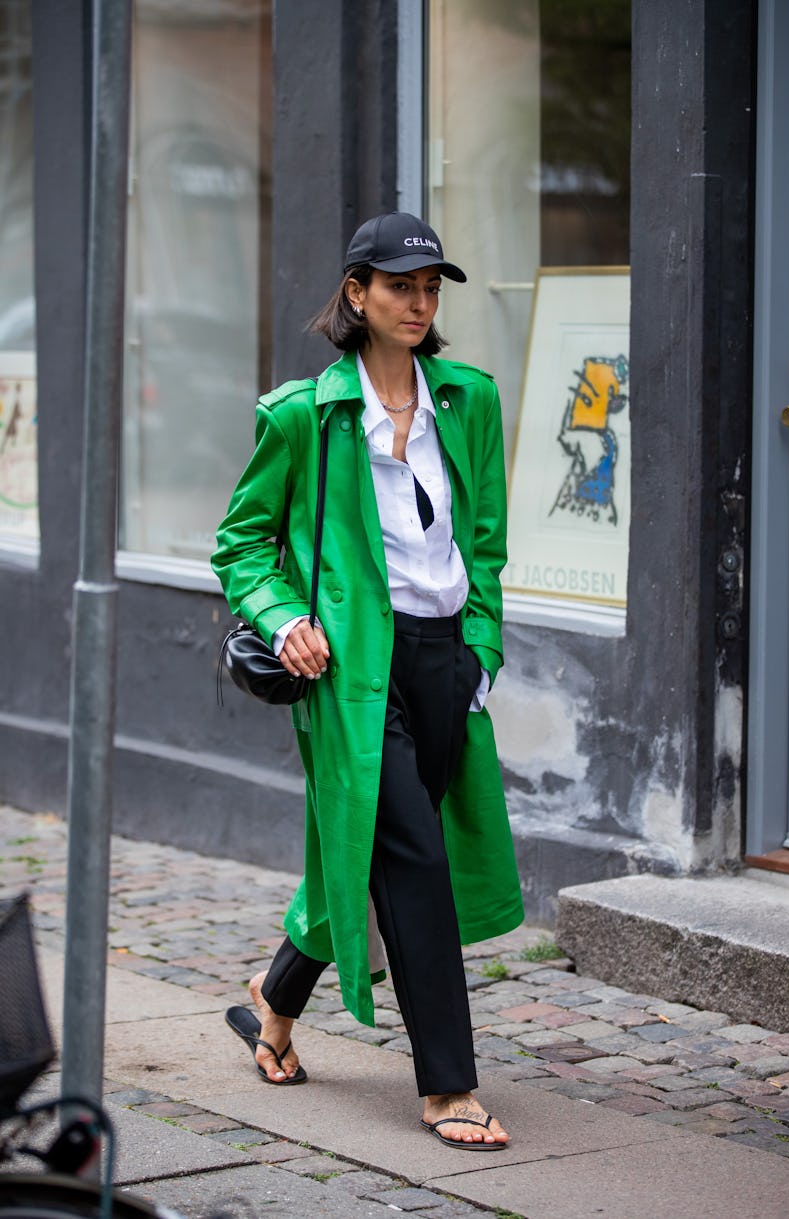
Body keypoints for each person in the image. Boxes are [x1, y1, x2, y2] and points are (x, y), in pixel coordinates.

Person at [212, 212, 524, 1150]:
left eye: (431, 289)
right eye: (399, 287)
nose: (420, 304)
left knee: (364, 846)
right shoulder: (305, 414)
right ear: (357, 294)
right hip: (349, 671)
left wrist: (480, 653)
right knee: (415, 859)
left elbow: (488, 547)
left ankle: (274, 995)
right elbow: (241, 545)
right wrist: (285, 620)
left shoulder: (468, 400)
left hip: (441, 660)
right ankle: (449, 1085)